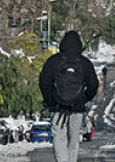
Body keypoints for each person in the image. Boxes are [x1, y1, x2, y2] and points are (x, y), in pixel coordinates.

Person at [39, 30, 100, 162]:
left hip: (57, 106)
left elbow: (44, 82)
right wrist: (84, 98)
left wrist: (50, 100)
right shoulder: (85, 63)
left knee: (59, 137)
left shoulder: (53, 61)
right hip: (77, 107)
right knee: (74, 139)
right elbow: (93, 84)